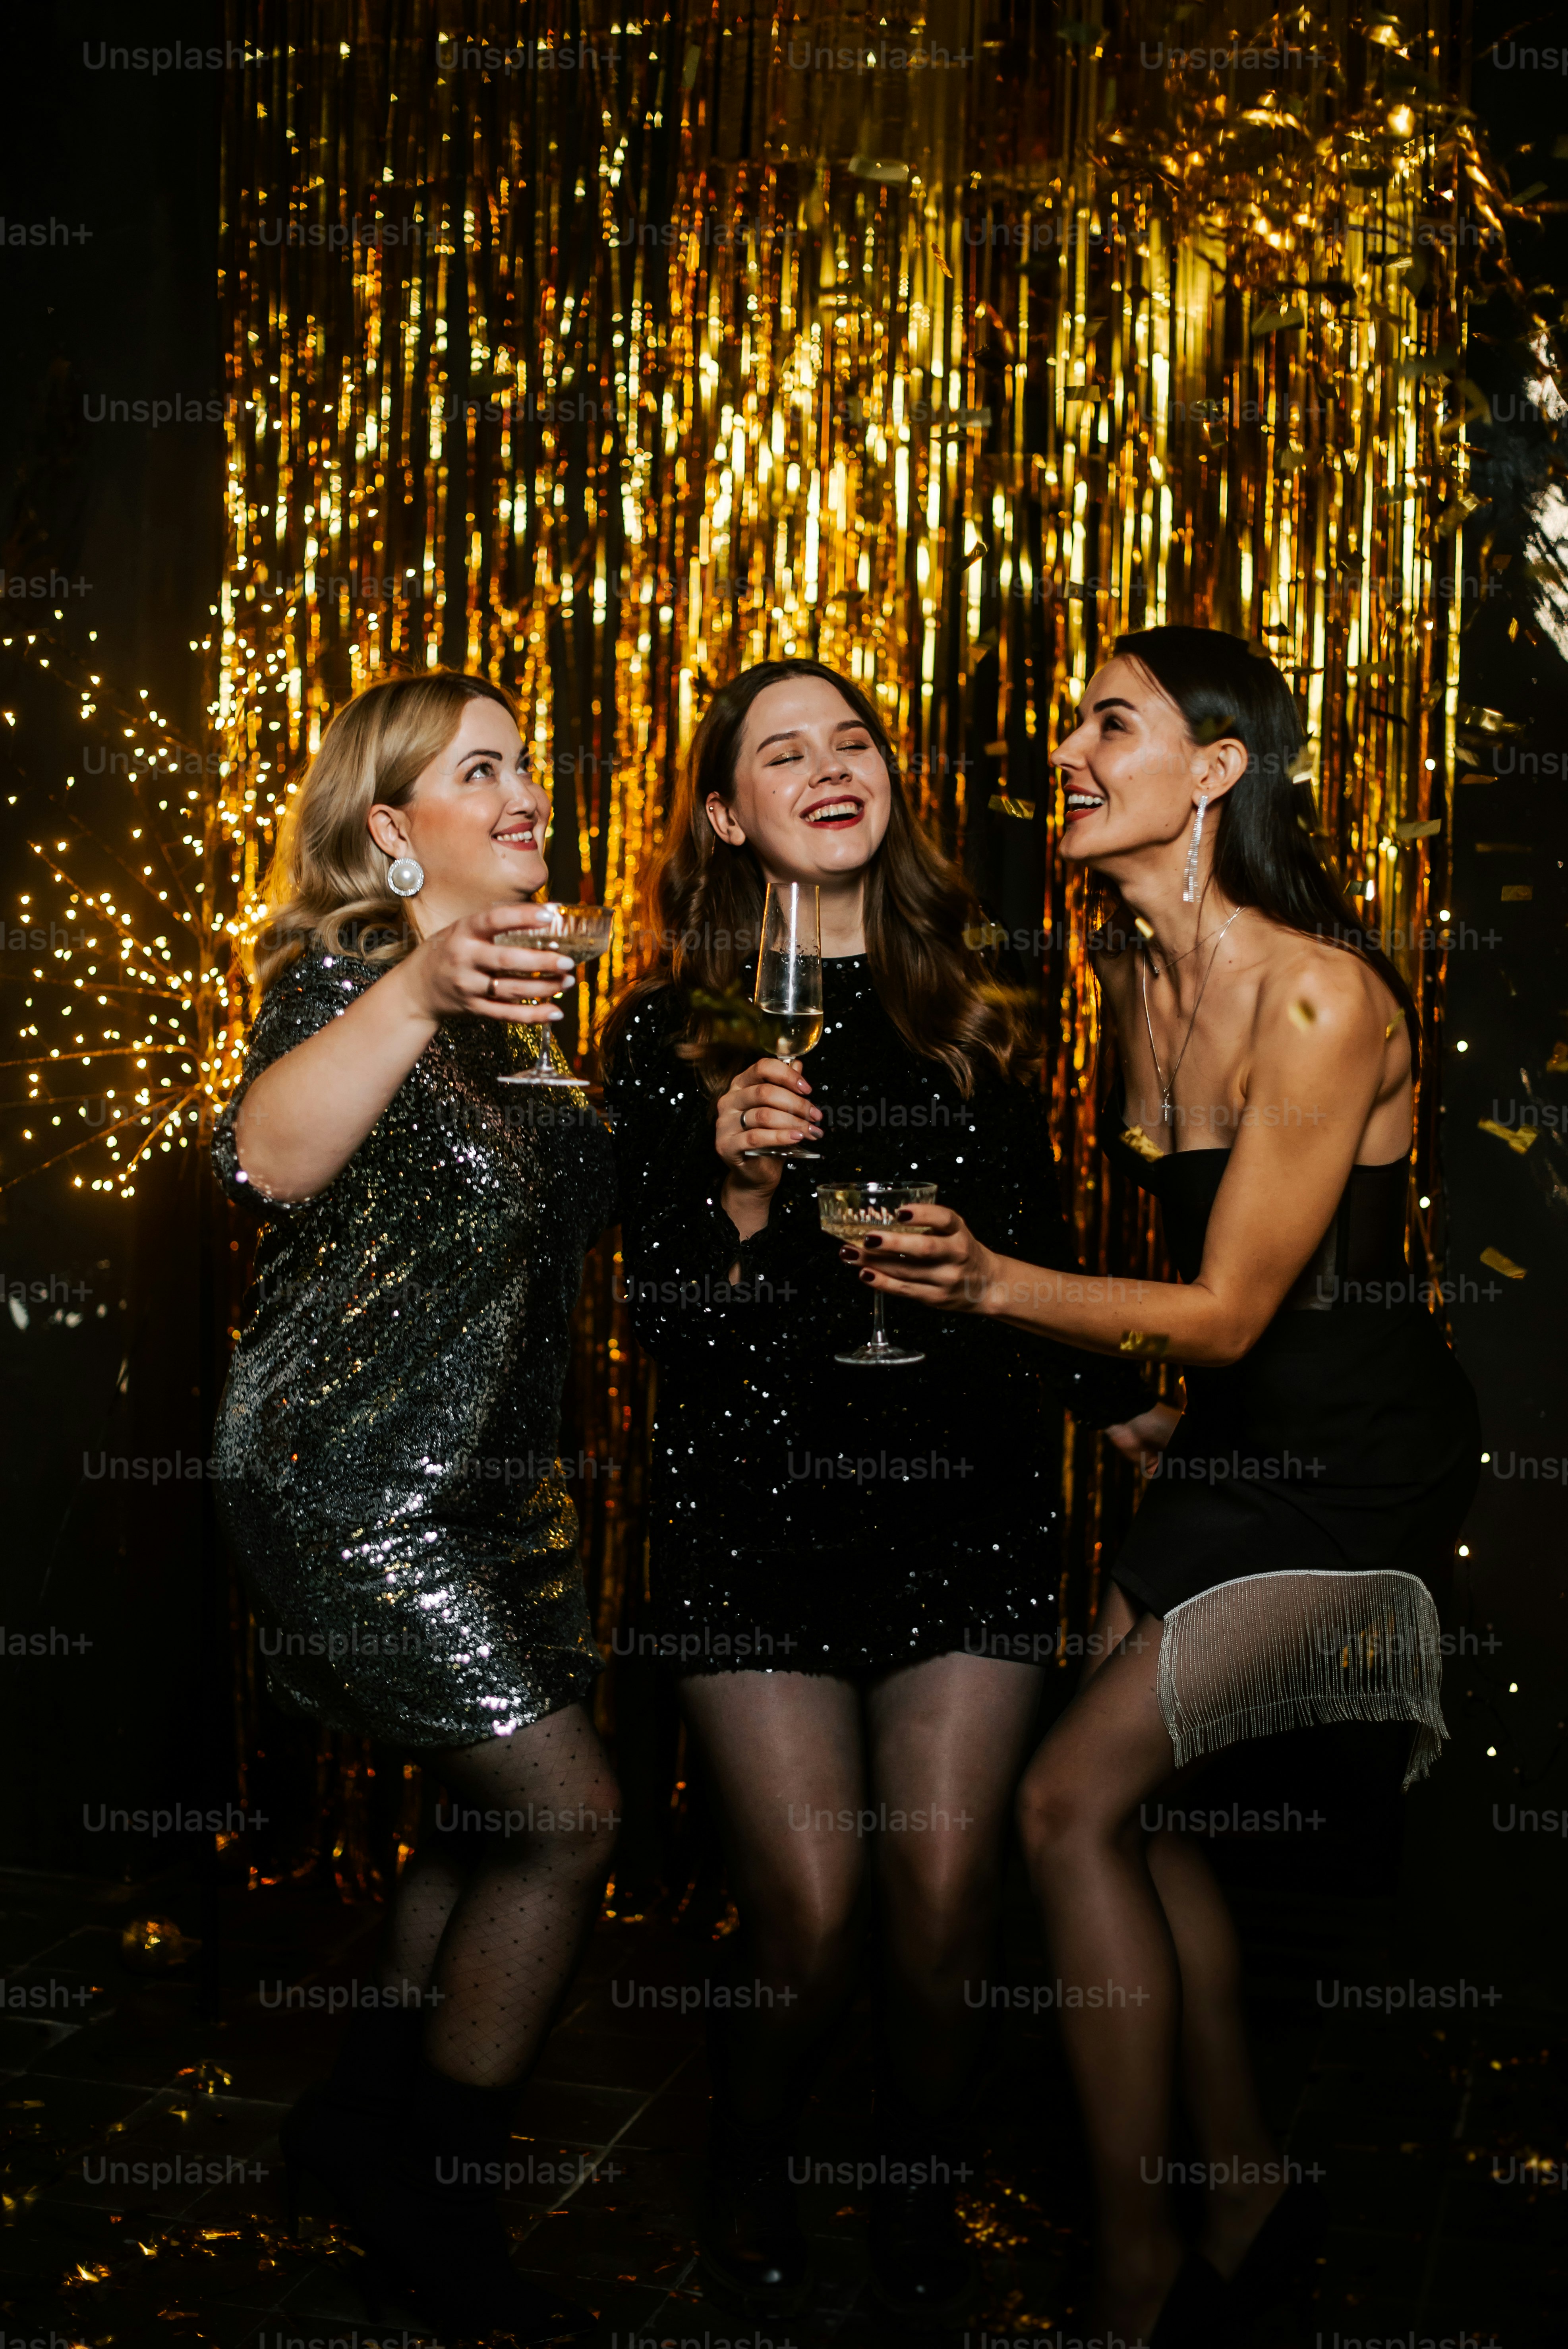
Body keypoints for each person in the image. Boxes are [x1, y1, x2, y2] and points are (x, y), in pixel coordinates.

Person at [840, 625, 1481, 2344]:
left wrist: (988, 1287)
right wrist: (1155, 1425)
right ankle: (1253, 2196)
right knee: (1146, 1811)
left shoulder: (1319, 992)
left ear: (1215, 767)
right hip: (1231, 1452)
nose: (1067, 746)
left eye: (1109, 720)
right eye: (1069, 718)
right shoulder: (1132, 977)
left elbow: (1226, 1308)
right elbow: (1202, 1293)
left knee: (1063, 1802)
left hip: (1352, 1473)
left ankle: (1139, 2272)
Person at [599, 658, 1152, 2323]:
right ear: (725, 813)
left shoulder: (968, 998)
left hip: (963, 1504)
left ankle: (918, 2196)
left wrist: (1126, 1402)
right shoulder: (666, 1025)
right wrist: (743, 1187)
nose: (830, 767)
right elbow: (658, 1318)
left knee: (933, 1910)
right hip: (752, 1517)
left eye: (852, 741)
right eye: (783, 751)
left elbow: (1031, 1253)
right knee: (819, 1914)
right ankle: (749, 2150)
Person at [211, 669, 618, 2345]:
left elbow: (571, 1241)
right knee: (570, 1815)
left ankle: (352, 2127)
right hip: (350, 1482)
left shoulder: (514, 1020)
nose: (530, 791)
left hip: (496, 1493)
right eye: (484, 770)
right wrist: (415, 982)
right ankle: (438, 2210)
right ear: (393, 830)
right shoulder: (336, 978)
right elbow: (268, 1159)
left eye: (529, 764)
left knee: (485, 1819)